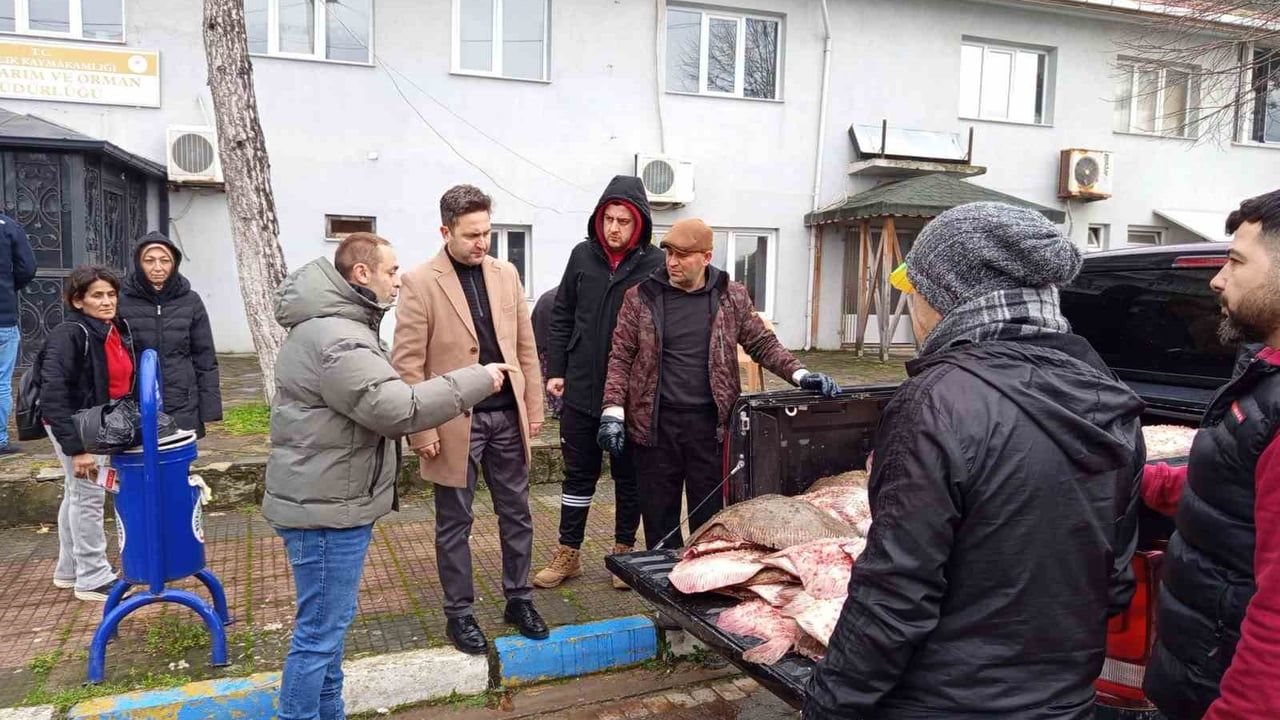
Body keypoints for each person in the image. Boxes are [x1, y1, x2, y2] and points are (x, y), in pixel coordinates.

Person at [804, 203, 1145, 719]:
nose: (912, 309)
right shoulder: (1109, 397)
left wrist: (829, 706)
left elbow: (895, 594)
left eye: (913, 292)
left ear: (943, 299)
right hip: (1065, 701)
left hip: (943, 703)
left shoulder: (936, 401)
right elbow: (1114, 581)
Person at [264, 232, 508, 720]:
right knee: (319, 635)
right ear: (361, 274)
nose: (399, 281)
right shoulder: (336, 338)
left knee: (328, 631)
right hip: (326, 509)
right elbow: (397, 408)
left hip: (330, 500)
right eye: (392, 271)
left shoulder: (337, 327)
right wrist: (477, 378)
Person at [600, 218, 841, 550]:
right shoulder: (641, 297)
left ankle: (701, 585)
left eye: (682, 255)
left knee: (710, 521)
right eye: (669, 253)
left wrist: (802, 375)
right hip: (655, 428)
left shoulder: (731, 296)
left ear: (706, 257)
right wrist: (613, 411)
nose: (671, 262)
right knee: (659, 519)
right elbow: (621, 356)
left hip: (711, 429)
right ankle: (662, 588)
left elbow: (763, 344)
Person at [1140, 189, 1280, 720]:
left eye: (1236, 261)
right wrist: (1138, 478)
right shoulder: (1265, 374)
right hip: (1199, 676)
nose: (1217, 279)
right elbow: (1233, 487)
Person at [391, 185, 547, 655]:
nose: (483, 243)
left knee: (517, 514)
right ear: (446, 231)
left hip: (506, 418)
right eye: (472, 235)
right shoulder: (420, 281)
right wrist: (421, 430)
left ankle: (518, 599)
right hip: (454, 420)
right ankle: (458, 614)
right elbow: (407, 365)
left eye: (488, 233)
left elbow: (525, 346)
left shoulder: (506, 273)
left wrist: (533, 408)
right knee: (454, 522)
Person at [534, 175, 664, 590]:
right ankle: (568, 553)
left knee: (629, 476)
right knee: (578, 475)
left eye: (623, 221)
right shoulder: (581, 256)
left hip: (629, 394)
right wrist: (556, 370)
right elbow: (562, 315)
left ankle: (624, 554)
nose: (613, 228)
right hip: (580, 387)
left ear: (638, 224)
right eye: (608, 218)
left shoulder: (655, 265)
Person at [41, 265, 134, 601]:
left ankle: (69, 569)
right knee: (89, 497)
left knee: (76, 493)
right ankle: (93, 578)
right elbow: (52, 392)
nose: (107, 301)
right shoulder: (70, 334)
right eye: (97, 295)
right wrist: (77, 448)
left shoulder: (111, 328)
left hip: (98, 422)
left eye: (111, 294)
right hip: (77, 427)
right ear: (78, 301)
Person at [117, 232, 222, 437]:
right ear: (138, 263)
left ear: (174, 263)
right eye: (149, 260)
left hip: (181, 400)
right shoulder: (121, 299)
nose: (158, 267)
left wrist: (210, 408)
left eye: (165, 260)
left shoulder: (190, 300)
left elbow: (205, 358)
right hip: (135, 401)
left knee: (178, 462)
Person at [0, 213, 35, 454]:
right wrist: (9, 287)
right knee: (1, 382)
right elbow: (27, 267)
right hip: (2, 315)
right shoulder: (8, 227)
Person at [530, 285, 562, 420]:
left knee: (548, 376)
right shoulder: (561, 298)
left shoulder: (547, 296)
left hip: (542, 343)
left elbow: (533, 321)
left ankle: (555, 407)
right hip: (554, 345)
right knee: (557, 376)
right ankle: (560, 407)